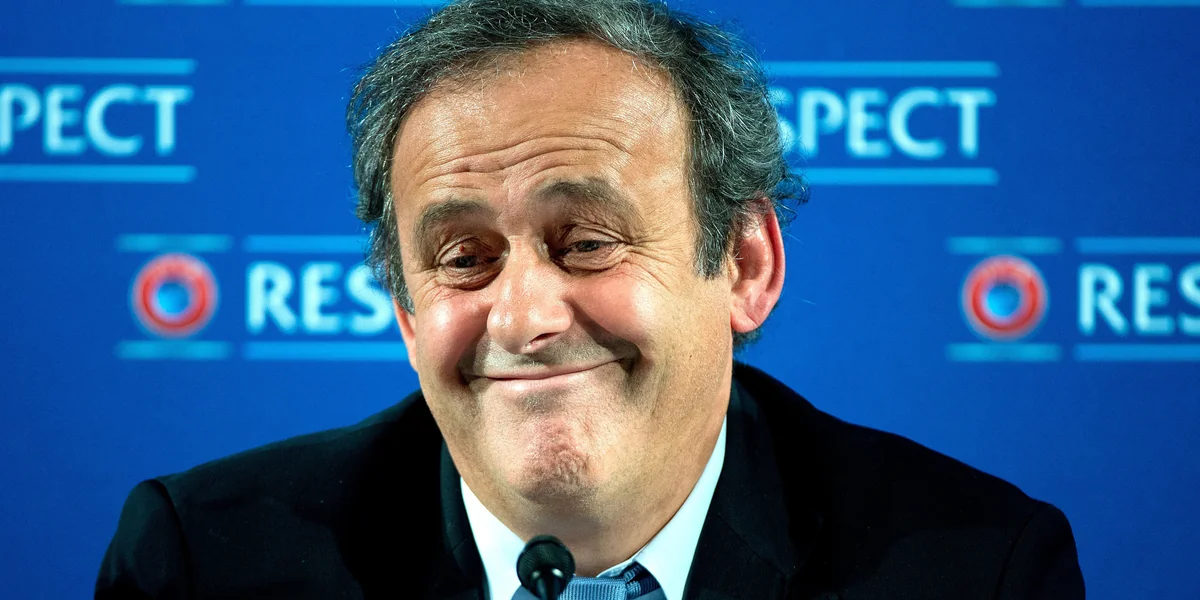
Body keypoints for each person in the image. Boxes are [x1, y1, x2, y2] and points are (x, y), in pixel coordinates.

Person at [95, 0, 1086, 597]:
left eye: (588, 244)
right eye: (463, 258)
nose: (525, 318)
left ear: (744, 266)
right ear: (405, 312)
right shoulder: (206, 564)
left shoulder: (976, 569)